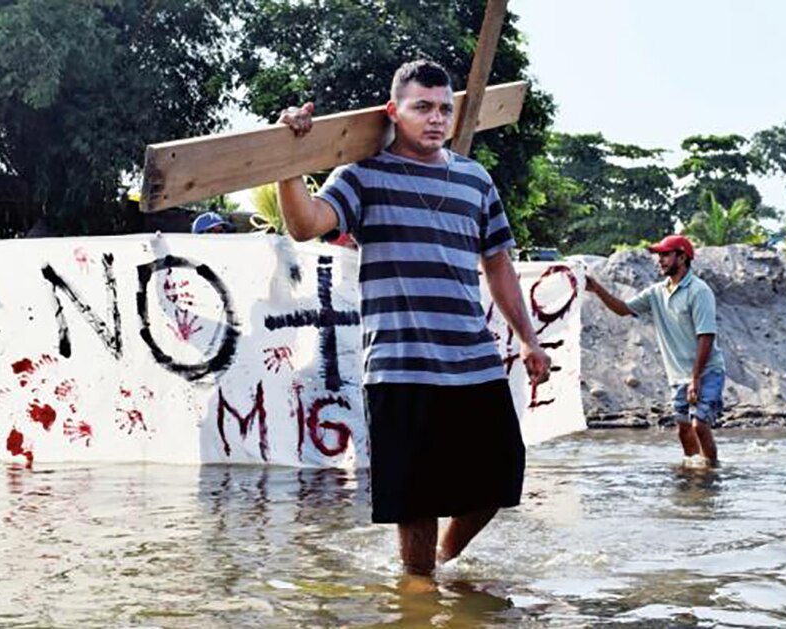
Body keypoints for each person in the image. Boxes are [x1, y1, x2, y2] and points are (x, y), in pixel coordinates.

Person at [275, 60, 551, 577]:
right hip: (401, 366)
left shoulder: (475, 180)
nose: (436, 118)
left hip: (474, 360)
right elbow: (305, 225)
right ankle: (419, 593)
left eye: (445, 108)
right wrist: (293, 160)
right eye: (422, 107)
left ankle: (445, 559)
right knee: (416, 501)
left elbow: (498, 265)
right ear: (393, 112)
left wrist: (529, 340)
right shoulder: (362, 178)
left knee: (501, 479)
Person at [585, 234, 726, 467]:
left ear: (682, 257)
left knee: (699, 424)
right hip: (677, 375)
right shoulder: (656, 292)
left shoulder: (699, 291)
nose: (659, 260)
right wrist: (597, 289)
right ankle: (692, 471)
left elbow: (706, 336)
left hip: (706, 372)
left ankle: (711, 473)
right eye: (659, 255)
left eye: (665, 255)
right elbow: (623, 309)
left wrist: (695, 378)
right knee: (683, 428)